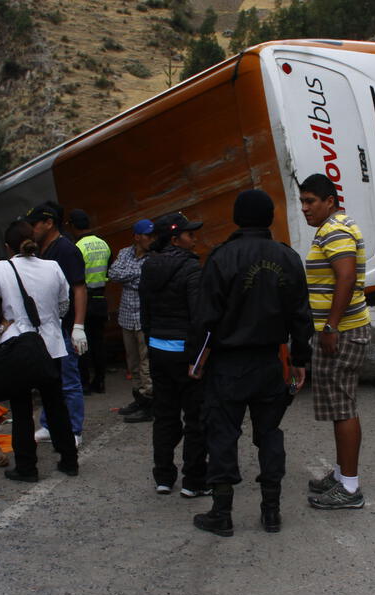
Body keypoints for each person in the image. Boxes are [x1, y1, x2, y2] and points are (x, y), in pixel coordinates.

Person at [189, 190, 314, 536]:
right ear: (269, 218)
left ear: (237, 218)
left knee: (223, 434)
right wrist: (301, 360)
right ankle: (271, 511)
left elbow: (204, 317)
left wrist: (196, 358)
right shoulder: (287, 258)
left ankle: (222, 512)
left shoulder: (222, 258)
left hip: (228, 364)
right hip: (269, 362)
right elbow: (302, 316)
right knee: (270, 434)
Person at [0, 220, 80, 481]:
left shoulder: (1, 268)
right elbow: (64, 303)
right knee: (56, 406)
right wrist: (51, 319)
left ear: (8, 247)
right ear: (34, 241)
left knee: (21, 411)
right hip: (51, 346)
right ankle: (69, 461)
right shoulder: (52, 267)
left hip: (18, 346)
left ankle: (27, 467)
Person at [299, 174, 372, 510]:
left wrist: (330, 326)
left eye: (311, 201)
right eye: (302, 201)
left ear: (330, 201)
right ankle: (343, 477)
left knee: (343, 408)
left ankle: (351, 488)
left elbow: (346, 276)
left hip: (340, 333)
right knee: (340, 408)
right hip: (341, 330)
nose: (305, 208)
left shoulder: (336, 230)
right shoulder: (332, 228)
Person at [139, 212, 209, 497]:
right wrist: (199, 357)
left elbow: (145, 312)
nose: (195, 239)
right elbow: (199, 317)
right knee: (195, 418)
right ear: (175, 238)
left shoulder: (149, 266)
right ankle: (194, 481)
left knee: (165, 416)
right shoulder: (193, 269)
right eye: (190, 234)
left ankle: (163, 477)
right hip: (185, 354)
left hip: (158, 350)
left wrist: (151, 342)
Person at [24, 202, 88, 446]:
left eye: (34, 224)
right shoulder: (41, 249)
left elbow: (79, 288)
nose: (31, 230)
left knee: (69, 380)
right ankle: (49, 424)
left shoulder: (66, 250)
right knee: (49, 378)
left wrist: (78, 326)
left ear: (49, 223)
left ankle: (74, 430)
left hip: (65, 325)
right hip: (47, 326)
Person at [108, 219, 156, 422]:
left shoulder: (154, 256)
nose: (152, 239)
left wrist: (130, 278)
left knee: (147, 362)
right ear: (137, 236)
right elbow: (113, 273)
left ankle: (149, 402)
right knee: (133, 361)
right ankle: (139, 397)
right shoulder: (125, 253)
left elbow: (149, 280)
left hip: (145, 316)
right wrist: (137, 275)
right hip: (127, 316)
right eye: (148, 235)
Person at [70, 208, 112, 394]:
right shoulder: (104, 244)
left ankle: (85, 383)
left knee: (82, 344)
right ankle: (101, 381)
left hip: (83, 300)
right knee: (98, 342)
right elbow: (109, 269)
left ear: (72, 226)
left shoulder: (76, 247)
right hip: (100, 298)